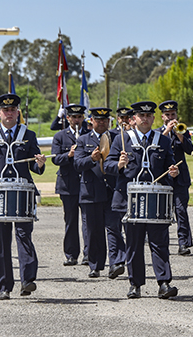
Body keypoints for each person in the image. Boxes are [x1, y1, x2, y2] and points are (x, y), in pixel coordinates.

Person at [0, 94, 46, 300]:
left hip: (22, 192)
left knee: (24, 235)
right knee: (2, 240)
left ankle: (27, 280)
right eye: (6, 110)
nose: (9, 113)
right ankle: (4, 286)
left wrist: (40, 164)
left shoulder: (28, 134)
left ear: (17, 112)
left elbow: (34, 165)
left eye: (13, 110)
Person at [105, 101, 179, 299]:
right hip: (130, 199)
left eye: (148, 116)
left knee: (159, 242)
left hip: (155, 199)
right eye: (141, 116)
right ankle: (135, 284)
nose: (145, 119)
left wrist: (173, 172)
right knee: (134, 244)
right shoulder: (122, 139)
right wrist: (119, 164)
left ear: (153, 118)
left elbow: (170, 164)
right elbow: (108, 165)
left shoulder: (163, 140)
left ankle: (164, 283)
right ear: (134, 119)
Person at [74, 107, 126, 279]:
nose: (102, 122)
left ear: (109, 121)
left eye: (105, 120)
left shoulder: (117, 138)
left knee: (114, 228)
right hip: (91, 192)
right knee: (94, 231)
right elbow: (77, 164)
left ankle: (116, 262)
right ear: (92, 121)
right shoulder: (83, 140)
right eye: (98, 120)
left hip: (112, 190)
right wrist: (91, 159)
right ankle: (95, 265)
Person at [52, 104, 89, 266]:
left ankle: (89, 254)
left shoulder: (88, 134)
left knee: (88, 221)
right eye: (74, 117)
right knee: (71, 220)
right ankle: (71, 254)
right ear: (68, 118)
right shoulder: (60, 136)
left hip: (87, 183)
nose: (77, 120)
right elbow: (55, 159)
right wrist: (69, 154)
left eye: (79, 117)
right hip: (68, 184)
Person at [159, 100, 193, 256]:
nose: (170, 117)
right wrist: (167, 132)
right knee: (162, 211)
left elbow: (190, 150)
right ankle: (161, 243)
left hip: (180, 178)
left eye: (172, 114)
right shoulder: (157, 133)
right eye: (167, 115)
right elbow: (155, 148)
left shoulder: (182, 130)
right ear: (162, 117)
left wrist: (180, 135)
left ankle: (183, 243)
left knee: (181, 210)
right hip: (163, 177)